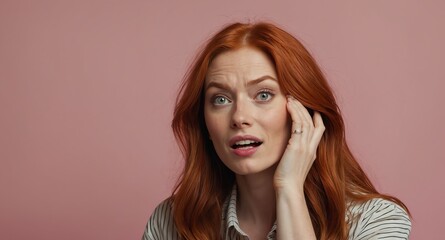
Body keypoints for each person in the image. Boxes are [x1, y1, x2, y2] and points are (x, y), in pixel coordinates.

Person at [142, 22, 411, 240]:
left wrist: (289, 189)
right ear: (204, 124)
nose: (239, 117)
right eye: (220, 99)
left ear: (303, 111)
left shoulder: (375, 221)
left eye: (263, 94)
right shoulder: (170, 224)